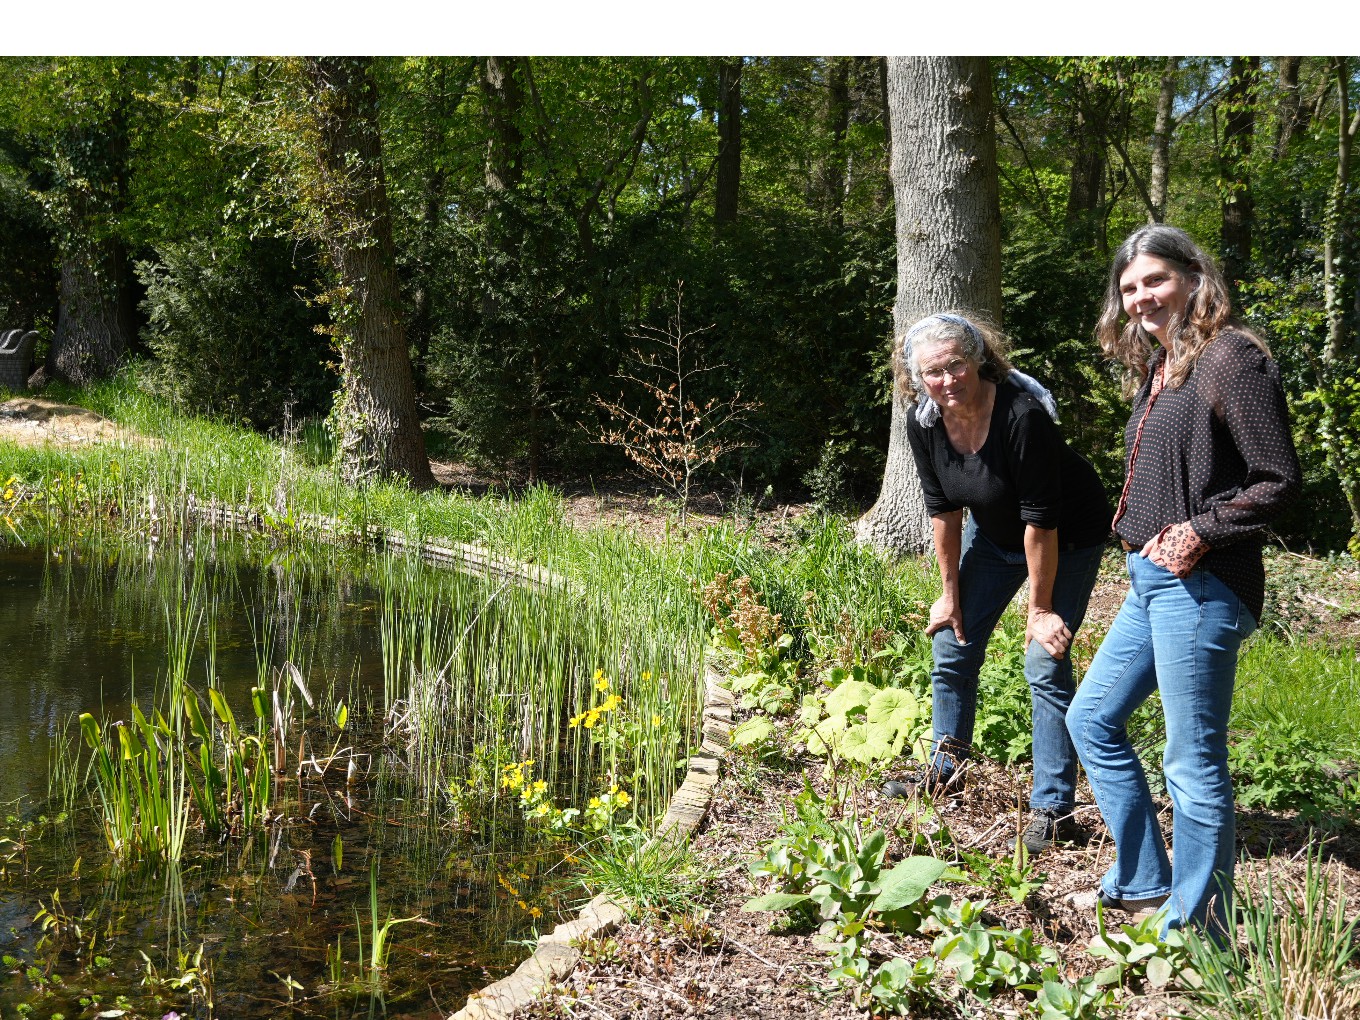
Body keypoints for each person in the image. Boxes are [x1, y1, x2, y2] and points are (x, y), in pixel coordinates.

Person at [1066, 226, 1301, 938]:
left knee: (1191, 762)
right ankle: (1143, 884)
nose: (1141, 297)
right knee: (1091, 719)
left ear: (1194, 277)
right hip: (1151, 580)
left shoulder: (1230, 357)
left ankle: (1198, 930)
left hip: (1203, 582)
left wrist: (1201, 530)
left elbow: (1278, 480)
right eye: (1129, 287)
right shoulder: (1164, 364)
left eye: (1155, 280)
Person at [882, 311, 1112, 856]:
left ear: (979, 358)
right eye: (933, 372)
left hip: (1066, 535)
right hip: (993, 535)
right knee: (951, 641)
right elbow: (943, 510)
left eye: (956, 365)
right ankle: (946, 771)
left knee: (1044, 659)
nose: (947, 380)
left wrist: (1040, 609)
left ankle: (1053, 809)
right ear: (916, 378)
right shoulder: (924, 422)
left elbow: (1042, 521)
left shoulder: (1021, 416)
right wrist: (949, 595)